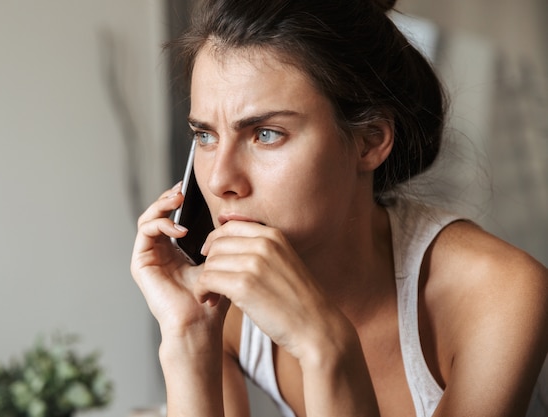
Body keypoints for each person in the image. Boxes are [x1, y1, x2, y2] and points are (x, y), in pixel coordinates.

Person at [131, 0, 548, 415]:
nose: (220, 180)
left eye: (267, 133)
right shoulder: (225, 301)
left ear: (369, 140)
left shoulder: (497, 294)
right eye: (205, 136)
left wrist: (326, 347)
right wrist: (188, 335)